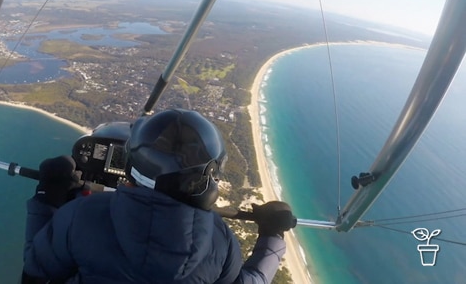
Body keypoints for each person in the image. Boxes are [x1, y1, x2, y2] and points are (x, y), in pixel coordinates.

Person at [23, 109, 294, 283]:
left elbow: (36, 270)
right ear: (205, 184)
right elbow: (251, 280)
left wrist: (48, 196)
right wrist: (272, 235)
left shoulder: (82, 214)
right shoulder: (220, 241)